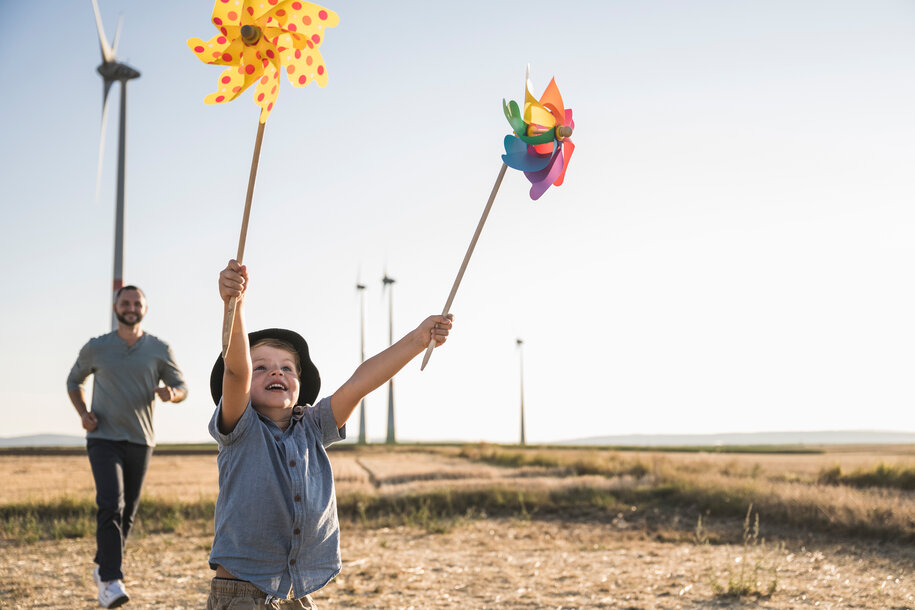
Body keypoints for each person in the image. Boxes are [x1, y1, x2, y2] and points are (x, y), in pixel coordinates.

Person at [207, 260, 453, 609]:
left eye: (287, 368)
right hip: (243, 595)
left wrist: (418, 339)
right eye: (261, 367)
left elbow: (360, 383)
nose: (275, 371)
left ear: (300, 383)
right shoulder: (239, 425)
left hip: (296, 592)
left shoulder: (313, 425)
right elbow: (236, 370)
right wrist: (235, 304)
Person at [66, 285, 188, 609]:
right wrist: (83, 413)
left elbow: (182, 386)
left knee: (128, 512)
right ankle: (110, 581)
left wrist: (171, 394)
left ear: (145, 308)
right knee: (111, 503)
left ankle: (101, 564)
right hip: (103, 438)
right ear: (115, 306)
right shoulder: (97, 347)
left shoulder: (159, 348)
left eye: (137, 303)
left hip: (141, 439)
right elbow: (73, 381)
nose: (131, 307)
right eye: (125, 302)